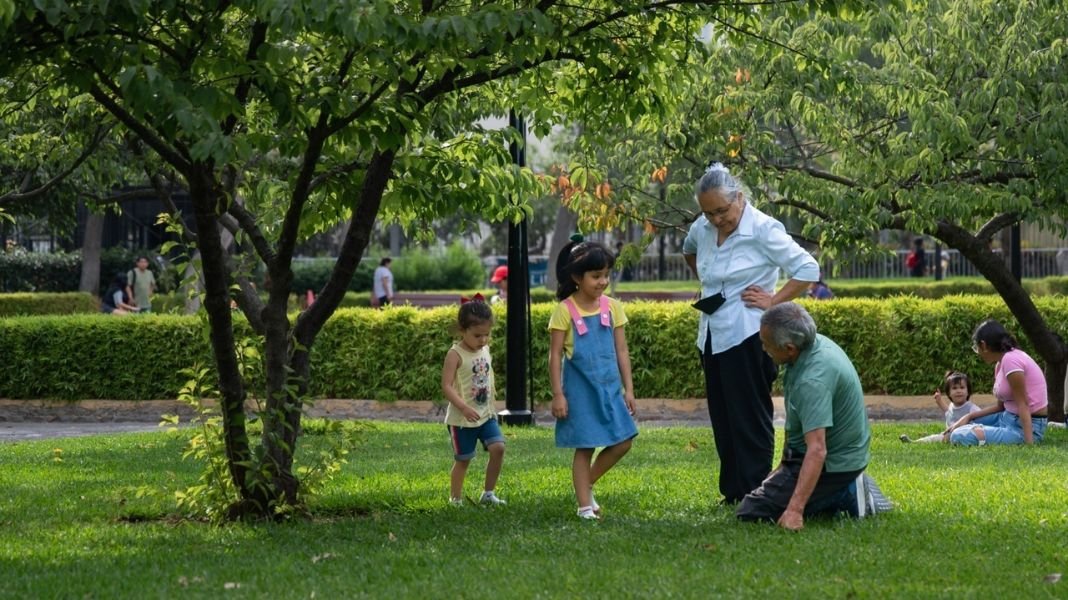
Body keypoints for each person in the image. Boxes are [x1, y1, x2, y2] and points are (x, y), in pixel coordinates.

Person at [682, 163, 819, 505]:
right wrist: (706, 282)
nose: (716, 219)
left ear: (739, 198)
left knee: (749, 417)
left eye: (722, 211)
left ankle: (757, 491)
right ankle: (732, 492)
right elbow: (688, 248)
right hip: (712, 332)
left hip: (747, 333)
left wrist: (774, 301)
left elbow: (808, 268)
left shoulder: (762, 228)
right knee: (723, 416)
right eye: (709, 212)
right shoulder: (702, 226)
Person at [737, 302, 889, 530]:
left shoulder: (812, 381)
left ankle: (847, 491)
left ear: (789, 348)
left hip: (835, 464)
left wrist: (795, 510)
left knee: (752, 511)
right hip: (826, 457)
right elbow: (797, 426)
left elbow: (817, 449)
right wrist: (781, 469)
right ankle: (841, 487)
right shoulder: (814, 346)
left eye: (766, 345)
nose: (764, 349)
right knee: (761, 497)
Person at [548, 237, 638, 520]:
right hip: (580, 393)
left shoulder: (612, 307)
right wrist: (558, 394)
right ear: (576, 277)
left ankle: (585, 484)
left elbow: (621, 350)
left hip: (610, 389)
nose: (602, 282)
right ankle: (584, 506)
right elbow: (554, 356)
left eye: (606, 276)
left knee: (624, 440)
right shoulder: (565, 310)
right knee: (585, 446)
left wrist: (629, 389)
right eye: (595, 276)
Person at [441, 295, 506, 507]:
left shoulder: (485, 349)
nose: (483, 340)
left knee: (498, 448)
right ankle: (455, 498)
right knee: (464, 460)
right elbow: (447, 385)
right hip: (462, 419)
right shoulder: (455, 354)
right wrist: (463, 407)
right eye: (477, 335)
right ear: (462, 330)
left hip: (485, 414)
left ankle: (488, 493)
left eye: (487, 335)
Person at [946, 320, 1048, 446]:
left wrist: (1029, 444)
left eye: (976, 348)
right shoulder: (1000, 364)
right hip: (1006, 417)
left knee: (959, 436)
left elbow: (1024, 404)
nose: (977, 352)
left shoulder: (1011, 361)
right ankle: (940, 437)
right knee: (961, 423)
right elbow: (1001, 407)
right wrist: (968, 416)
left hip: (1023, 427)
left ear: (983, 345)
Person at [899, 371, 980, 443]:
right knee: (933, 438)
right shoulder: (952, 406)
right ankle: (915, 442)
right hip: (949, 435)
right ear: (949, 393)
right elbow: (949, 413)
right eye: (954, 388)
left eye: (962, 388)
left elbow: (984, 422)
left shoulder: (971, 408)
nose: (958, 391)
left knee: (940, 438)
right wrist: (939, 401)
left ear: (968, 391)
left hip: (965, 436)